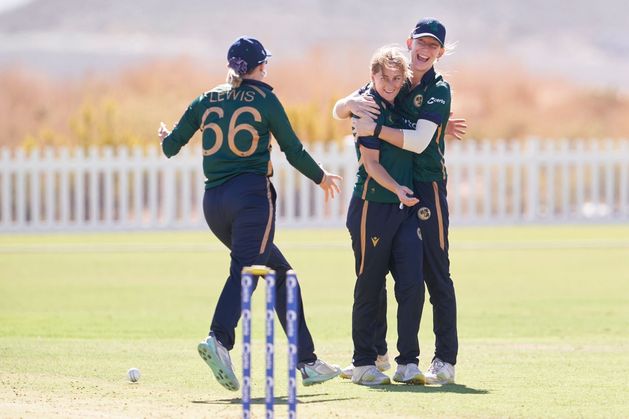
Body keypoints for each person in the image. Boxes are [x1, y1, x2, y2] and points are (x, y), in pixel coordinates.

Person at [158, 36, 342, 391]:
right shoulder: (266, 99)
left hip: (214, 204)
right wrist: (321, 177)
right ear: (259, 67)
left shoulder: (206, 98)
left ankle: (307, 361)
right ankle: (219, 339)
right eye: (265, 64)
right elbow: (292, 149)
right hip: (252, 201)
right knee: (248, 271)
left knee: (281, 276)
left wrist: (164, 135)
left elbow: (170, 147)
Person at [334, 18, 465, 385]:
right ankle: (374, 354)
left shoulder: (439, 87)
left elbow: (421, 142)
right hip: (393, 190)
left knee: (435, 270)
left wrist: (376, 129)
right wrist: (346, 106)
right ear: (410, 43)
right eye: (420, 42)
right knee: (375, 274)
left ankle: (444, 359)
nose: (425, 50)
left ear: (441, 51)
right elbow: (346, 106)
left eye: (433, 45)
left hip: (427, 186)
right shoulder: (397, 77)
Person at [345, 45, 427, 386]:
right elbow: (372, 164)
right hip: (372, 207)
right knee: (370, 285)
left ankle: (407, 362)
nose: (391, 84)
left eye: (397, 78)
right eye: (384, 78)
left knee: (411, 284)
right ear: (372, 76)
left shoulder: (404, 98)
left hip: (402, 208)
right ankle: (364, 362)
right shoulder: (366, 105)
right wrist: (397, 189)